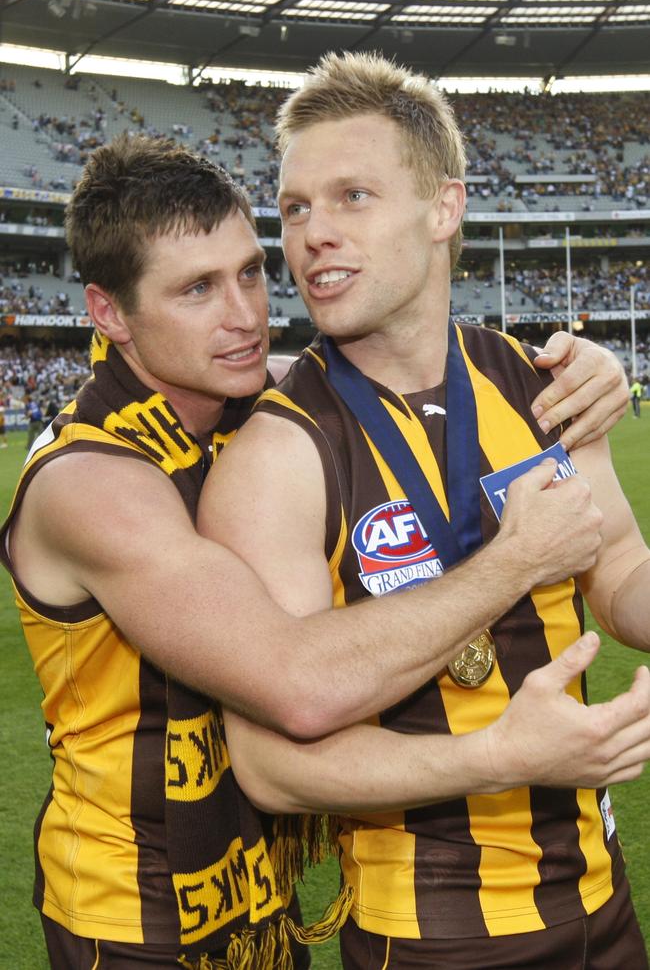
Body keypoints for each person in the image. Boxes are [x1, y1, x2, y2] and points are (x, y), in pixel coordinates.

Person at [0, 134, 634, 970]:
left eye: (250, 272)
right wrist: (516, 560)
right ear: (109, 313)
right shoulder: (94, 486)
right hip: (139, 914)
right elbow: (298, 685)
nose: (245, 314)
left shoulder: (243, 391)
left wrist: (596, 367)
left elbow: (397, 360)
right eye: (196, 289)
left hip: (260, 886)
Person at [200, 53, 650, 969]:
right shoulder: (275, 458)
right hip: (428, 934)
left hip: (604, 904)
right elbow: (272, 765)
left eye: (352, 196)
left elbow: (624, 579)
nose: (313, 233)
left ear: (444, 209)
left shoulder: (547, 387)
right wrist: (501, 753)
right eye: (295, 209)